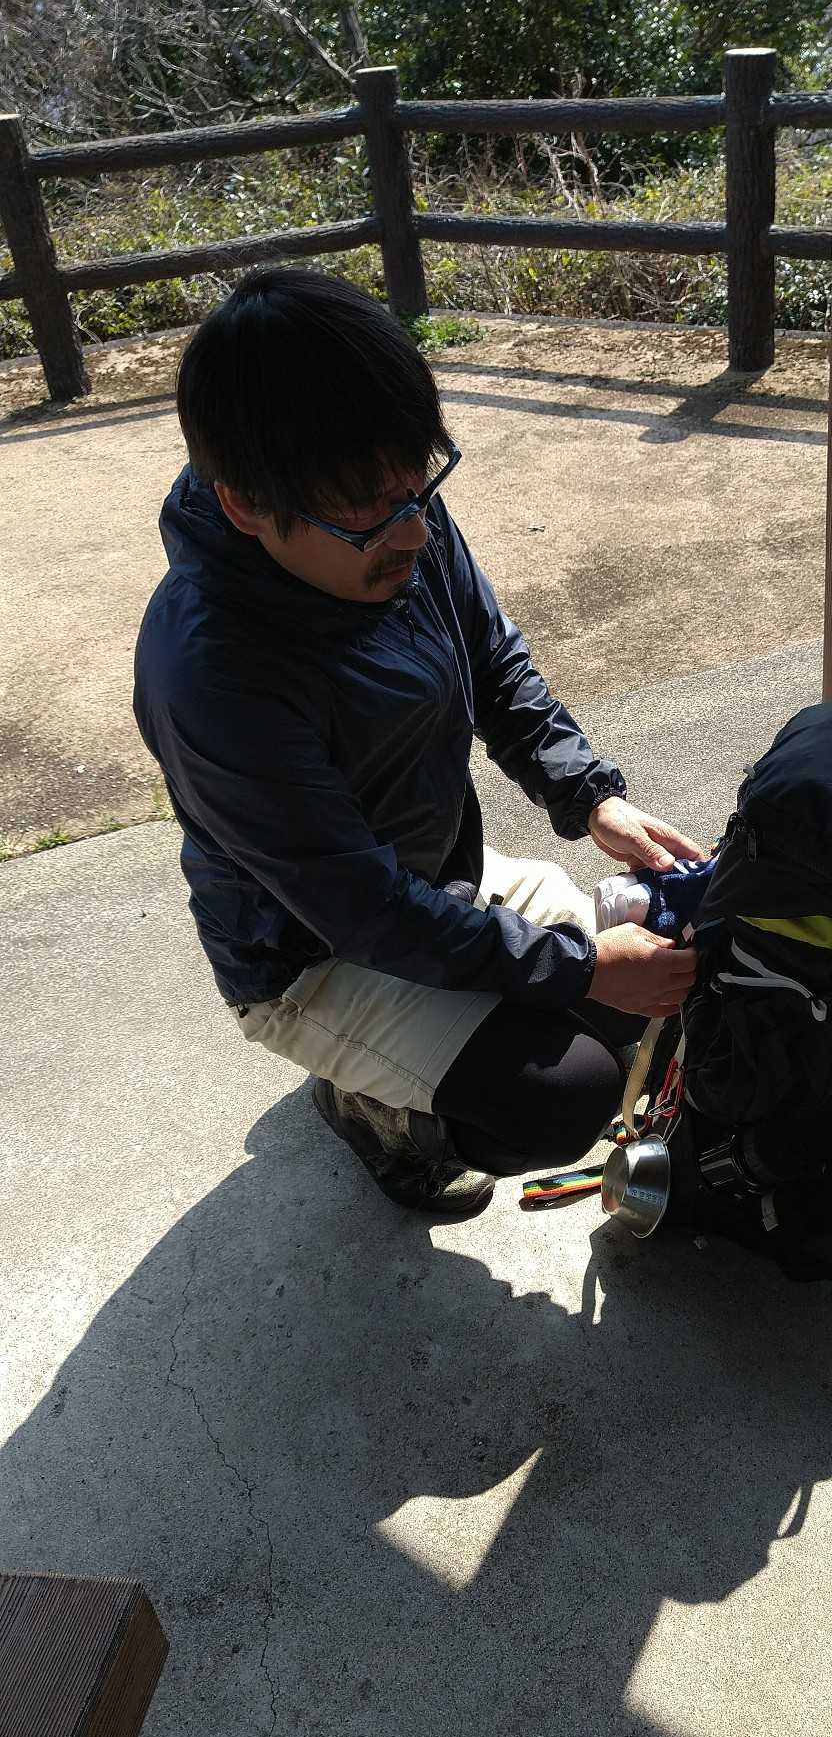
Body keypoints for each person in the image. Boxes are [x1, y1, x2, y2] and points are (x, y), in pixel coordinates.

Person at [134, 267, 701, 1218]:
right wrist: (579, 966)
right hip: (310, 955)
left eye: (417, 484)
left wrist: (590, 796)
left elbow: (490, 657)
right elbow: (361, 910)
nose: (412, 530)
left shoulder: (384, 506)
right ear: (245, 505)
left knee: (651, 983)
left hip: (433, 881)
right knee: (566, 1091)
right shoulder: (210, 675)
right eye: (370, 506)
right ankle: (374, 1114)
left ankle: (435, 1046)